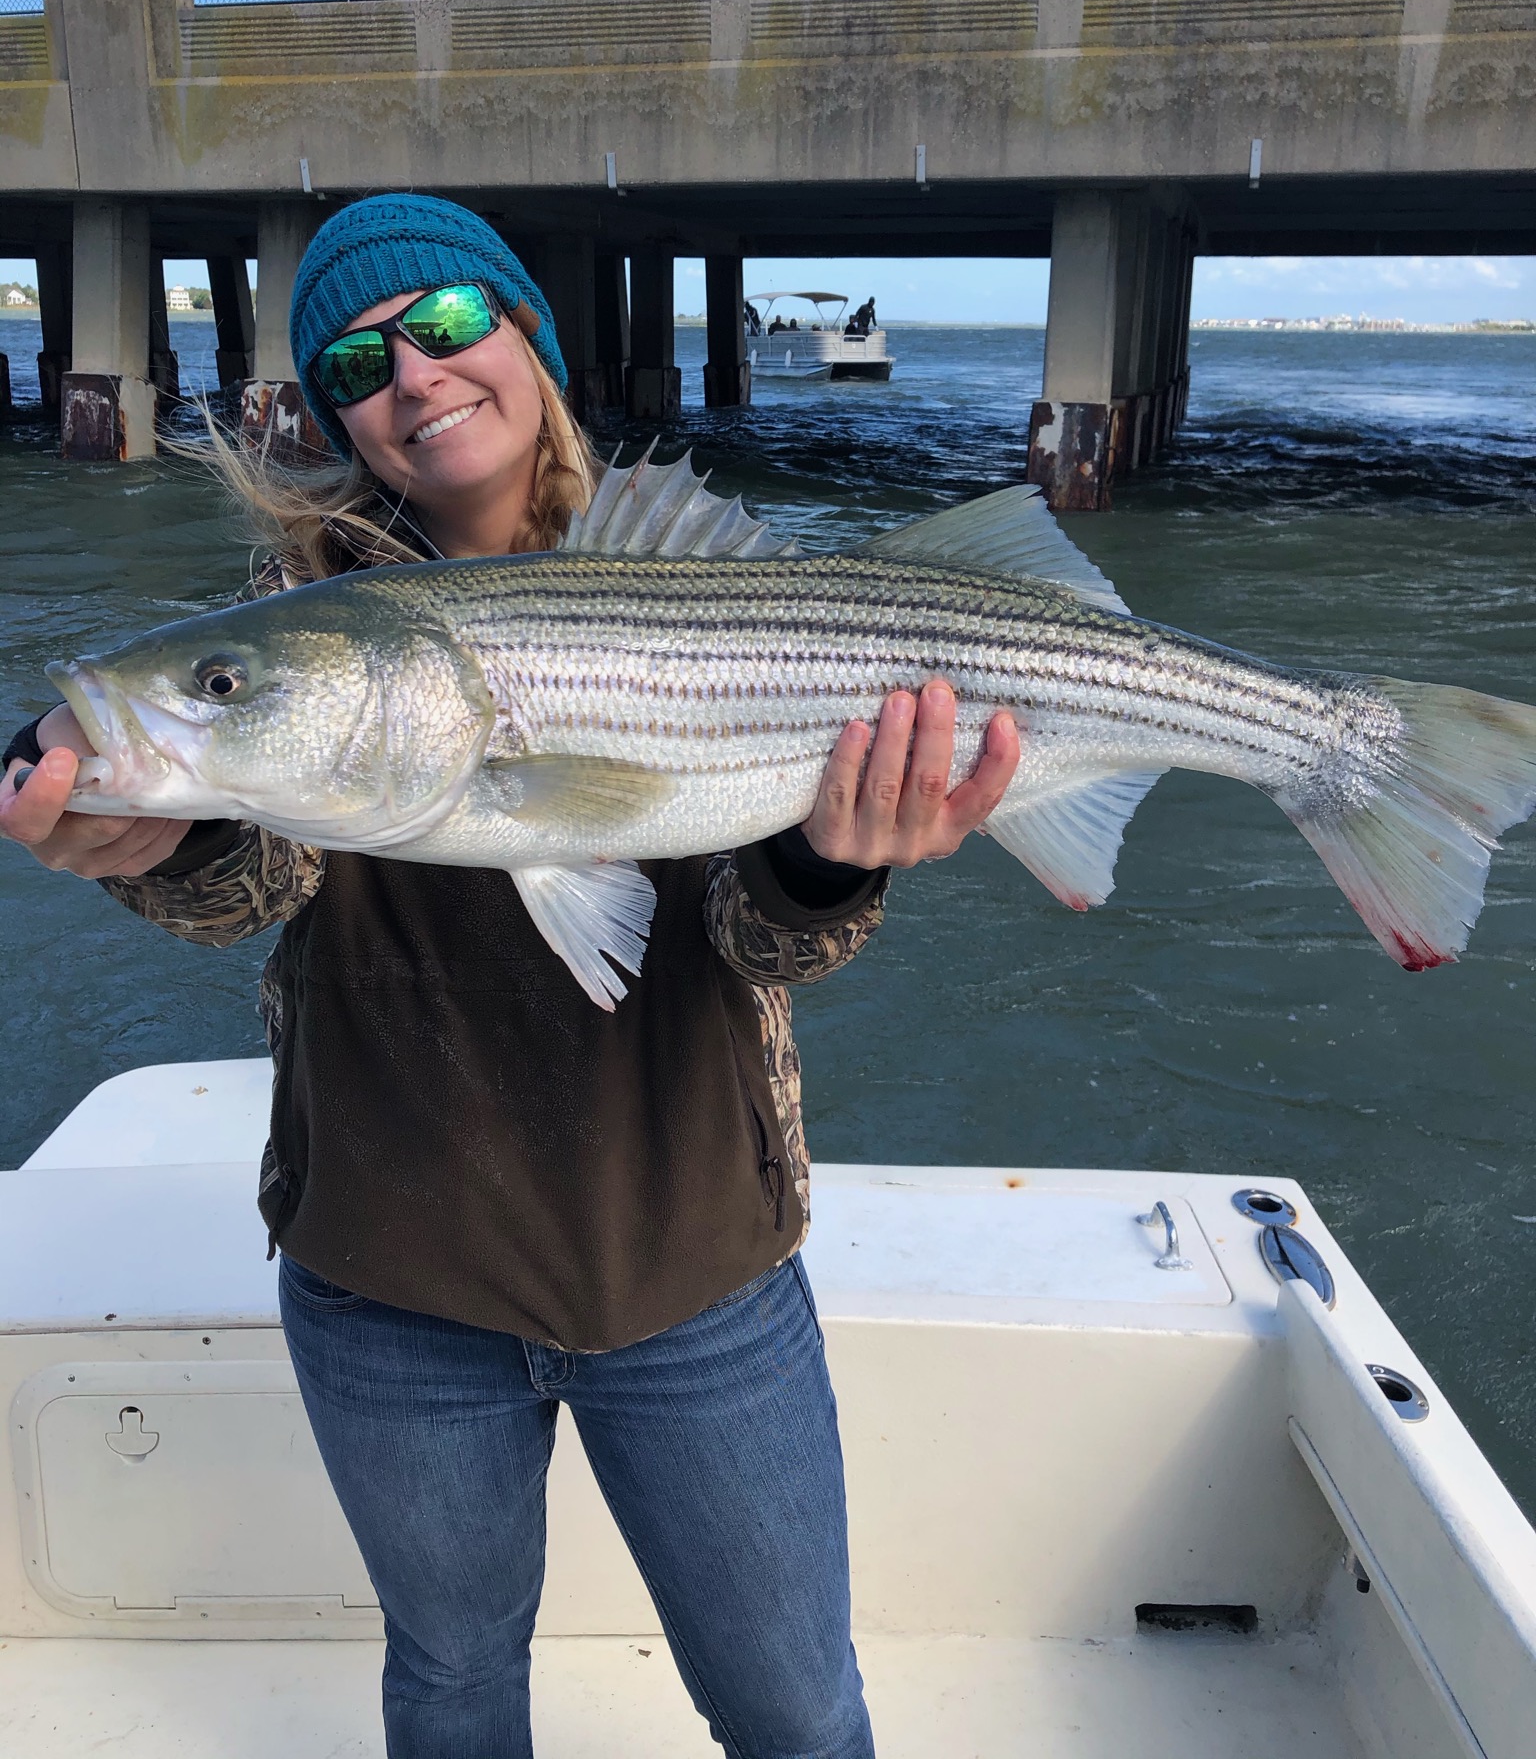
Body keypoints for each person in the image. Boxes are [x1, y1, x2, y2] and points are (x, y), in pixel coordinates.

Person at [0, 194, 1020, 1758]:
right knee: (453, 1686)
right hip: (390, 1269)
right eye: (359, 355)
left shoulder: (710, 590)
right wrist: (166, 849)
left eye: (452, 324)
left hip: (693, 1255)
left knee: (796, 1712)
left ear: (526, 335)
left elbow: (765, 947)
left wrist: (832, 856)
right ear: (335, 407)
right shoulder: (300, 631)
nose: (414, 373)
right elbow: (257, 883)